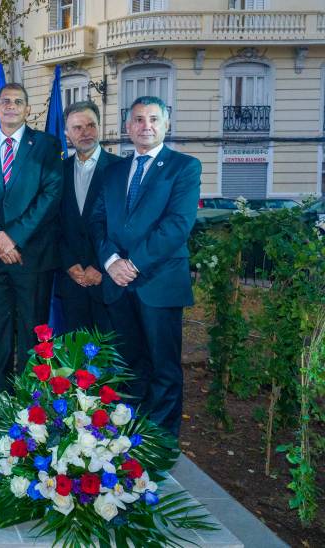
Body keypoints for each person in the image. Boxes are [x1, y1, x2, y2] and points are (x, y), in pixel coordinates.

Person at [89, 95, 201, 437]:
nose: (146, 126)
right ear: (128, 127)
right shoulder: (113, 171)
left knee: (164, 368)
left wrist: (132, 264)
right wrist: (111, 263)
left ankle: (161, 444)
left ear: (166, 125)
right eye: (138, 119)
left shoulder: (184, 167)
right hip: (117, 285)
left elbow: (177, 225)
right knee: (127, 365)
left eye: (154, 119)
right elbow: (97, 221)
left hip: (158, 282)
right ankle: (129, 438)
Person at [0, 83, 63, 394]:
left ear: (27, 109)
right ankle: (1, 395)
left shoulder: (47, 146)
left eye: (18, 102)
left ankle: (28, 397)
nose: (10, 106)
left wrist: (14, 237)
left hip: (31, 256)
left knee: (31, 330)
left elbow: (51, 195)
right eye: (4, 101)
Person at [57, 101, 117, 334]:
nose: (85, 133)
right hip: (71, 278)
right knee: (75, 356)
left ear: (99, 127)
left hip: (106, 277)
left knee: (109, 354)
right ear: (67, 133)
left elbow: (120, 227)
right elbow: (54, 224)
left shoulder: (120, 169)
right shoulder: (58, 171)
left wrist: (99, 265)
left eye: (91, 125)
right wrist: (69, 264)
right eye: (78, 127)